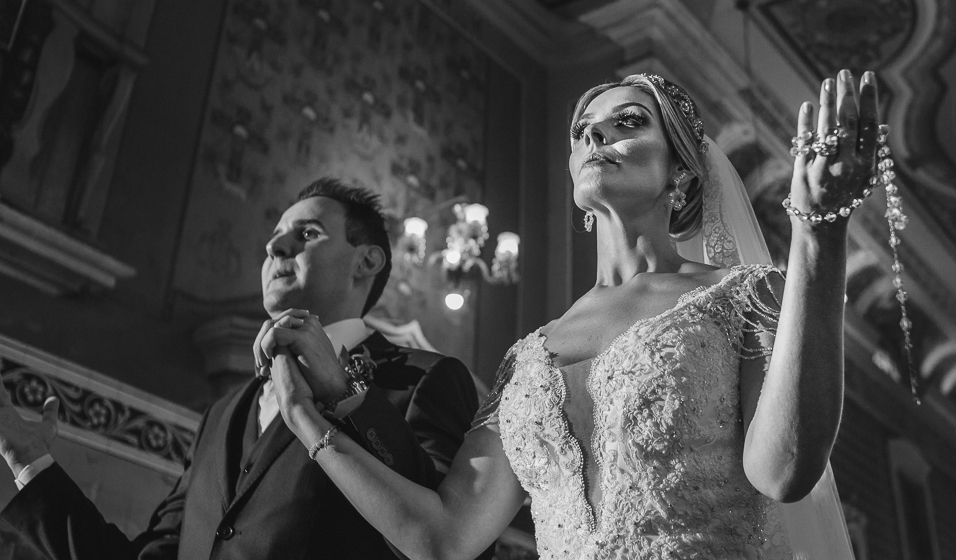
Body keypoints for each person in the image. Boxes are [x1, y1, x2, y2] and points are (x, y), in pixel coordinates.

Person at [263, 72, 873, 559]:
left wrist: (819, 233)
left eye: (627, 122)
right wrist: (307, 420)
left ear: (682, 174)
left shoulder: (739, 296)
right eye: (583, 131)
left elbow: (783, 471)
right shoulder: (529, 357)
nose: (595, 136)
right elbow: (445, 538)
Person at [0, 177, 480, 560]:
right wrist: (29, 462)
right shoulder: (222, 415)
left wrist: (346, 396)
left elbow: (454, 543)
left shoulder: (424, 381)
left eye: (307, 234)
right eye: (273, 239)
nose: (275, 248)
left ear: (367, 260)